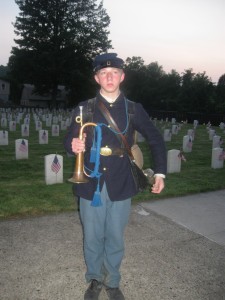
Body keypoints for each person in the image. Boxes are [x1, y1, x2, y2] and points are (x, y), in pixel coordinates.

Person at [64, 53, 167, 300]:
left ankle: (113, 281)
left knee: (114, 236)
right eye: (103, 73)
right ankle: (94, 279)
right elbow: (69, 139)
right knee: (92, 235)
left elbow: (155, 139)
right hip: (90, 181)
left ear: (122, 76)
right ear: (96, 78)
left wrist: (161, 172)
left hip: (122, 180)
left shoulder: (133, 109)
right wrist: (73, 145)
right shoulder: (85, 107)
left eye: (114, 73)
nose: (109, 77)